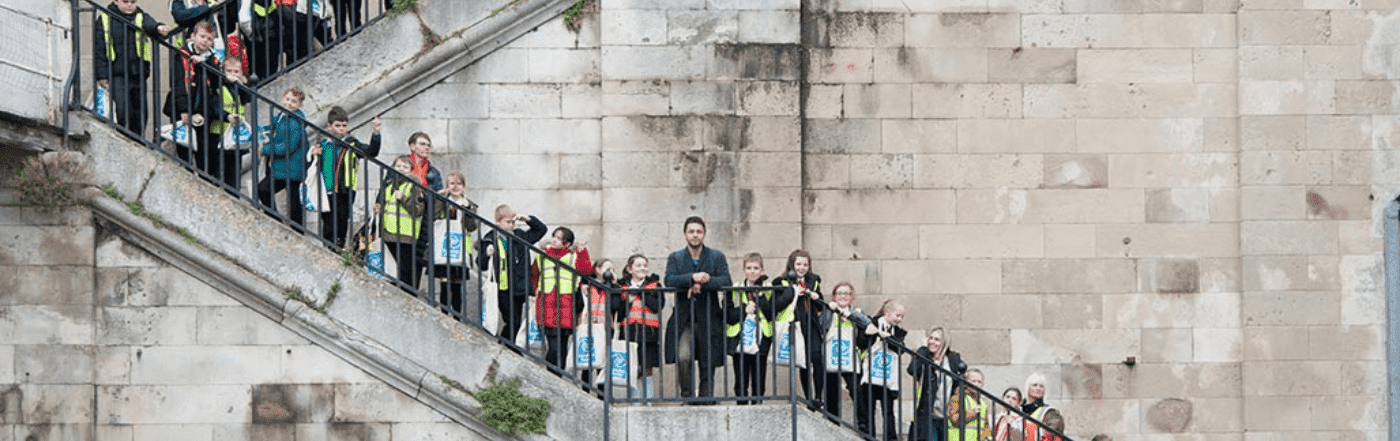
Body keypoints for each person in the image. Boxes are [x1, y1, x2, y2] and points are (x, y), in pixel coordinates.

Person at [663, 216, 731, 403]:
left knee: (707, 360)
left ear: (704, 234)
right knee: (683, 356)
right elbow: (669, 280)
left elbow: (726, 281)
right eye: (691, 231)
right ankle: (687, 395)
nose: (695, 235)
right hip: (684, 318)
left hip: (709, 316)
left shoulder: (716, 257)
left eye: (698, 231)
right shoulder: (675, 257)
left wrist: (706, 281)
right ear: (685, 234)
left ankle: (706, 397)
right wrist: (692, 278)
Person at [95, 0, 173, 136]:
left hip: (138, 72)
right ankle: (123, 137)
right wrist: (102, 75)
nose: (130, 5)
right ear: (115, 1)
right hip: (117, 72)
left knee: (140, 112)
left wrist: (158, 27)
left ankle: (138, 139)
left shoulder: (140, 15)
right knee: (122, 110)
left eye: (133, 1)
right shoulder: (105, 18)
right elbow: (100, 48)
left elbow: (150, 24)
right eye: (125, 2)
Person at [313, 106, 382, 248]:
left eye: (344, 126)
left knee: (342, 220)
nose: (341, 129)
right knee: (327, 221)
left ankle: (339, 245)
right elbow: (312, 165)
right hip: (326, 189)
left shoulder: (352, 143)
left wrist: (376, 133)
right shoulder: (324, 144)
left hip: (345, 189)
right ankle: (329, 246)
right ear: (330, 126)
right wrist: (314, 153)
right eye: (337, 126)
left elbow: (371, 152)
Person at [476, 204, 547, 341]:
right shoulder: (490, 238)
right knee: (511, 320)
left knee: (516, 321)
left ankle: (508, 344)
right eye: (508, 222)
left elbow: (541, 230)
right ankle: (507, 344)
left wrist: (527, 219)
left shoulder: (520, 235)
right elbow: (481, 264)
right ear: (498, 221)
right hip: (503, 287)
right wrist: (487, 253)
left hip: (519, 286)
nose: (512, 225)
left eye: (513, 222)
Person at [164, 20, 220, 174]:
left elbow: (216, 84)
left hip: (202, 110)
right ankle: (186, 176)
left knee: (202, 149)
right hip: (182, 107)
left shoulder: (212, 58)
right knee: (184, 149)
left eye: (209, 39)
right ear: (193, 37)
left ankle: (202, 179)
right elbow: (178, 84)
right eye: (202, 36)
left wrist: (206, 65)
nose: (205, 41)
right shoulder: (182, 54)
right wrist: (183, 109)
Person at [533, 226, 593, 369]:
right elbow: (534, 274)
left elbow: (586, 270)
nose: (554, 240)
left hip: (566, 305)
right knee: (553, 345)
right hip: (546, 303)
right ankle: (551, 373)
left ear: (567, 244)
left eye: (559, 238)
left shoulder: (574, 256)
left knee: (562, 346)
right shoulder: (542, 255)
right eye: (554, 236)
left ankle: (556, 374)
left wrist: (583, 251)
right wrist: (535, 290)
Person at [771, 249, 824, 409]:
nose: (802, 268)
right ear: (791, 264)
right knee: (804, 362)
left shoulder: (813, 280)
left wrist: (816, 296)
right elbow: (777, 304)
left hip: (811, 324)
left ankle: (818, 396)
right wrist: (793, 293)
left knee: (817, 359)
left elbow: (820, 304)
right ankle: (809, 398)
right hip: (794, 325)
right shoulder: (780, 281)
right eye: (798, 264)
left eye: (805, 264)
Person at [256, 86, 310, 229]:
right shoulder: (281, 118)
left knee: (291, 201)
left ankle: (292, 228)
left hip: (291, 167)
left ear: (300, 105)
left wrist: (266, 149)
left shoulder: (294, 122)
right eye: (287, 99)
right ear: (282, 98)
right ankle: (285, 224)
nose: (289, 103)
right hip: (285, 167)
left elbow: (287, 147)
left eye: (294, 101)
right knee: (290, 200)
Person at [612, 254, 663, 399]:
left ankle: (648, 400)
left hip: (649, 333)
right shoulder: (622, 287)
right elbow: (619, 313)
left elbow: (657, 306)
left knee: (647, 368)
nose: (643, 268)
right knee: (632, 368)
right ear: (630, 269)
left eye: (645, 265)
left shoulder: (654, 285)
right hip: (629, 332)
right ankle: (634, 401)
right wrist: (627, 301)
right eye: (639, 265)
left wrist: (641, 292)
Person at [724, 252, 773, 405]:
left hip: (761, 337)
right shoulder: (735, 288)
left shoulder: (768, 288)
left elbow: (772, 311)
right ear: (744, 271)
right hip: (740, 338)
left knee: (759, 379)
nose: (752, 271)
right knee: (741, 380)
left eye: (756, 268)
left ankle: (758, 408)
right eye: (749, 268)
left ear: (762, 271)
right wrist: (744, 309)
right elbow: (727, 314)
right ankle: (742, 408)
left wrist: (758, 296)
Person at [854, 300, 907, 441]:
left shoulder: (899, 332)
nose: (900, 319)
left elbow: (900, 350)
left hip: (888, 376)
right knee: (868, 408)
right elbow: (861, 343)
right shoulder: (872, 322)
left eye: (902, 317)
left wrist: (888, 338)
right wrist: (867, 333)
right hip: (871, 373)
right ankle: (868, 436)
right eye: (898, 315)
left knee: (888, 411)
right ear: (887, 312)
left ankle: (891, 437)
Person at [431, 171, 478, 315]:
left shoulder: (469, 204)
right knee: (445, 283)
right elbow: (433, 215)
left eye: (459, 184)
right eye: (452, 183)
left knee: (458, 284)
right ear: (447, 186)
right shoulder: (442, 201)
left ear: (464, 187)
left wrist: (467, 210)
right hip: (444, 245)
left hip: (461, 247)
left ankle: (457, 315)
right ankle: (444, 313)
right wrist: (440, 198)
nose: (456, 187)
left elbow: (472, 226)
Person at [909, 326, 968, 441]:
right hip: (927, 413)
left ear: (944, 342)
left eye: (937, 339)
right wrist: (922, 348)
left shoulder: (952, 359)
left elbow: (959, 381)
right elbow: (912, 370)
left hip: (946, 414)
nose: (932, 342)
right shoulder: (924, 357)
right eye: (930, 338)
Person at [376, 155, 424, 291]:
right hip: (388, 233)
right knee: (390, 269)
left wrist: (403, 198)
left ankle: (407, 296)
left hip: (405, 235)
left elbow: (418, 210)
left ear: (411, 171)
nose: (401, 169)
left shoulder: (414, 186)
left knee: (405, 271)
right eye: (398, 166)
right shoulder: (388, 185)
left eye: (405, 167)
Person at [815, 281, 861, 418]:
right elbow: (821, 327)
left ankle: (863, 426)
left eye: (847, 293)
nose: (843, 296)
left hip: (851, 360)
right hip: (831, 358)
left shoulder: (857, 313)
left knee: (857, 391)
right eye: (840, 293)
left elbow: (865, 323)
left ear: (852, 297)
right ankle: (832, 424)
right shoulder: (827, 311)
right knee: (831, 394)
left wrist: (848, 314)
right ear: (834, 296)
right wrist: (830, 310)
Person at [207, 57, 251, 190]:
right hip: (219, 132)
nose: (232, 74)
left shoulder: (241, 88)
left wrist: (240, 83)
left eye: (236, 71)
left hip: (235, 136)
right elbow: (213, 106)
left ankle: (234, 194)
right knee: (217, 169)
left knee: (234, 171)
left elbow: (248, 98)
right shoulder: (218, 85)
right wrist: (226, 117)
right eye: (229, 71)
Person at [947, 369, 992, 441]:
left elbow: (985, 426)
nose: (976, 384)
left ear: (983, 384)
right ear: (967, 383)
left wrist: (988, 437)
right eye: (973, 381)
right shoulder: (958, 397)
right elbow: (954, 420)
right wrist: (972, 412)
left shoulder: (983, 403)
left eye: (979, 382)